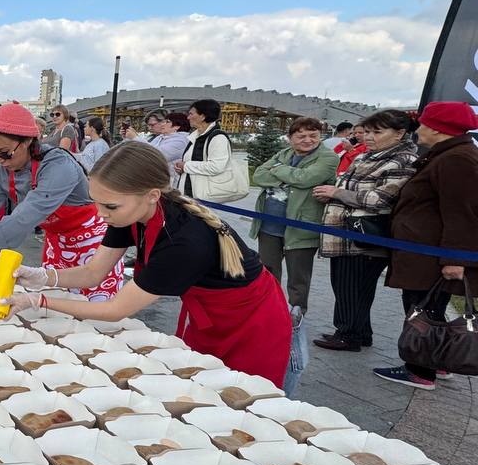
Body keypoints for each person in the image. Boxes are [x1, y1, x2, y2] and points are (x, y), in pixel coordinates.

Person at [0, 142, 291, 386]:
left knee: (243, 394)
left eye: (109, 206)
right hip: (209, 314)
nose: (100, 214)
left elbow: (115, 310)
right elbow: (93, 272)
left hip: (253, 322)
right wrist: (45, 277)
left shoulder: (183, 241)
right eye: (96, 203)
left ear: (152, 195)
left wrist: (39, 301)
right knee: (205, 383)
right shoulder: (128, 213)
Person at [0, 103, 126, 300]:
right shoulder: (3, 167)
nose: (0, 160)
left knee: (95, 310)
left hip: (91, 242)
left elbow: (23, 218)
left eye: (4, 153)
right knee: (57, 303)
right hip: (57, 242)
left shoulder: (57, 165)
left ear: (27, 141)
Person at [376, 102, 478, 389]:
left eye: (423, 124)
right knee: (428, 307)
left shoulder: (457, 159)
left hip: (430, 255)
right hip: (425, 252)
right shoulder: (448, 155)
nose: (418, 130)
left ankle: (420, 370)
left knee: (422, 309)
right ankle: (436, 360)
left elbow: (463, 213)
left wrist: (455, 258)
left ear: (437, 128)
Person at [313, 110, 418, 352]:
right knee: (348, 285)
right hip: (345, 233)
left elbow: (380, 199)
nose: (368, 137)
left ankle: (347, 334)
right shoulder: (367, 156)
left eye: (377, 132)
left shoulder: (402, 160)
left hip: (364, 235)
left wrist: (336, 193)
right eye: (367, 131)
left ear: (400, 133)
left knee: (353, 286)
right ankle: (360, 332)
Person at [249, 117, 338, 320]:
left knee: (298, 276)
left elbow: (305, 179)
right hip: (269, 224)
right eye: (301, 136)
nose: (308, 140)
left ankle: (296, 315)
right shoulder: (285, 153)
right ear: (290, 139)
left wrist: (279, 170)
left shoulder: (328, 157)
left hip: (301, 226)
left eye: (313, 135)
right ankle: (268, 309)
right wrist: (292, 176)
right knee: (267, 271)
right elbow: (259, 176)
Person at [175, 98, 234, 199]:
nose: (188, 117)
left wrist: (186, 166)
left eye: (191, 114)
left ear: (202, 116)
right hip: (190, 194)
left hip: (205, 197)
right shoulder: (195, 137)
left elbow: (216, 167)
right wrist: (182, 169)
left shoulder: (218, 138)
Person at [124, 109, 189, 184]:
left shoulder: (181, 141)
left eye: (167, 122)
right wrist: (129, 138)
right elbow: (143, 150)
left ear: (176, 126)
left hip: (170, 182)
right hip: (157, 179)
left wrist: (135, 138)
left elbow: (156, 155)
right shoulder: (161, 137)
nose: (163, 124)